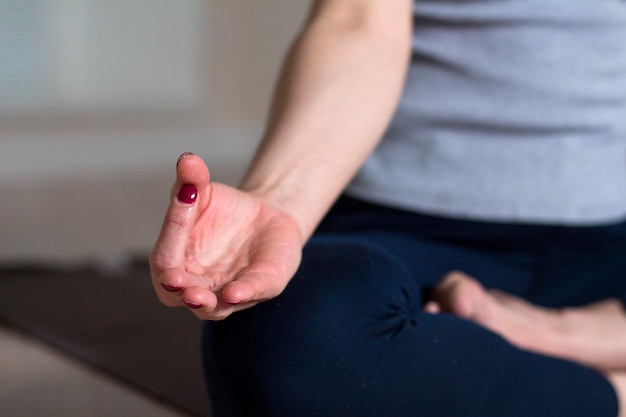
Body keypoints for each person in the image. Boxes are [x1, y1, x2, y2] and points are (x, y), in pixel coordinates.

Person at [150, 0, 626, 415]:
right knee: (288, 339)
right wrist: (279, 203)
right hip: (404, 228)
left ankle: (564, 343)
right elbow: (360, 22)